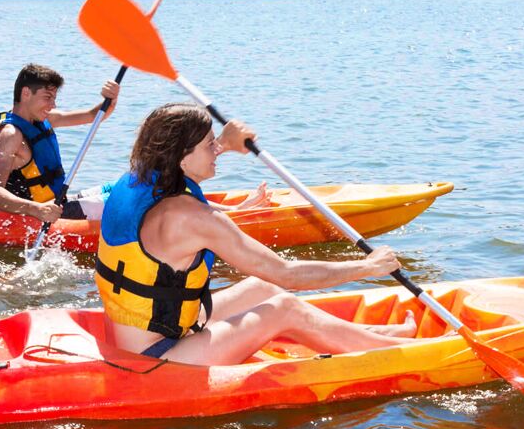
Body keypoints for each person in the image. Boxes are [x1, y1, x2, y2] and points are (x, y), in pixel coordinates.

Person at [95, 103, 417, 365]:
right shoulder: (193, 218)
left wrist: (224, 143)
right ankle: (402, 353)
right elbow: (288, 274)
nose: (216, 151)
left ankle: (374, 334)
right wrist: (368, 267)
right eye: (209, 145)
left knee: (262, 288)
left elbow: (181, 182)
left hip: (141, 333)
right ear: (181, 155)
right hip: (157, 356)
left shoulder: (136, 179)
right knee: (285, 307)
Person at [0, 64, 120, 222]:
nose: (53, 105)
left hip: (56, 204)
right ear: (26, 93)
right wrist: (37, 209)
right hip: (38, 214)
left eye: (54, 98)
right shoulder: (10, 135)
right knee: (126, 200)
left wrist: (110, 100)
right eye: (48, 97)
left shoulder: (44, 119)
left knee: (123, 186)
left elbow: (92, 115)